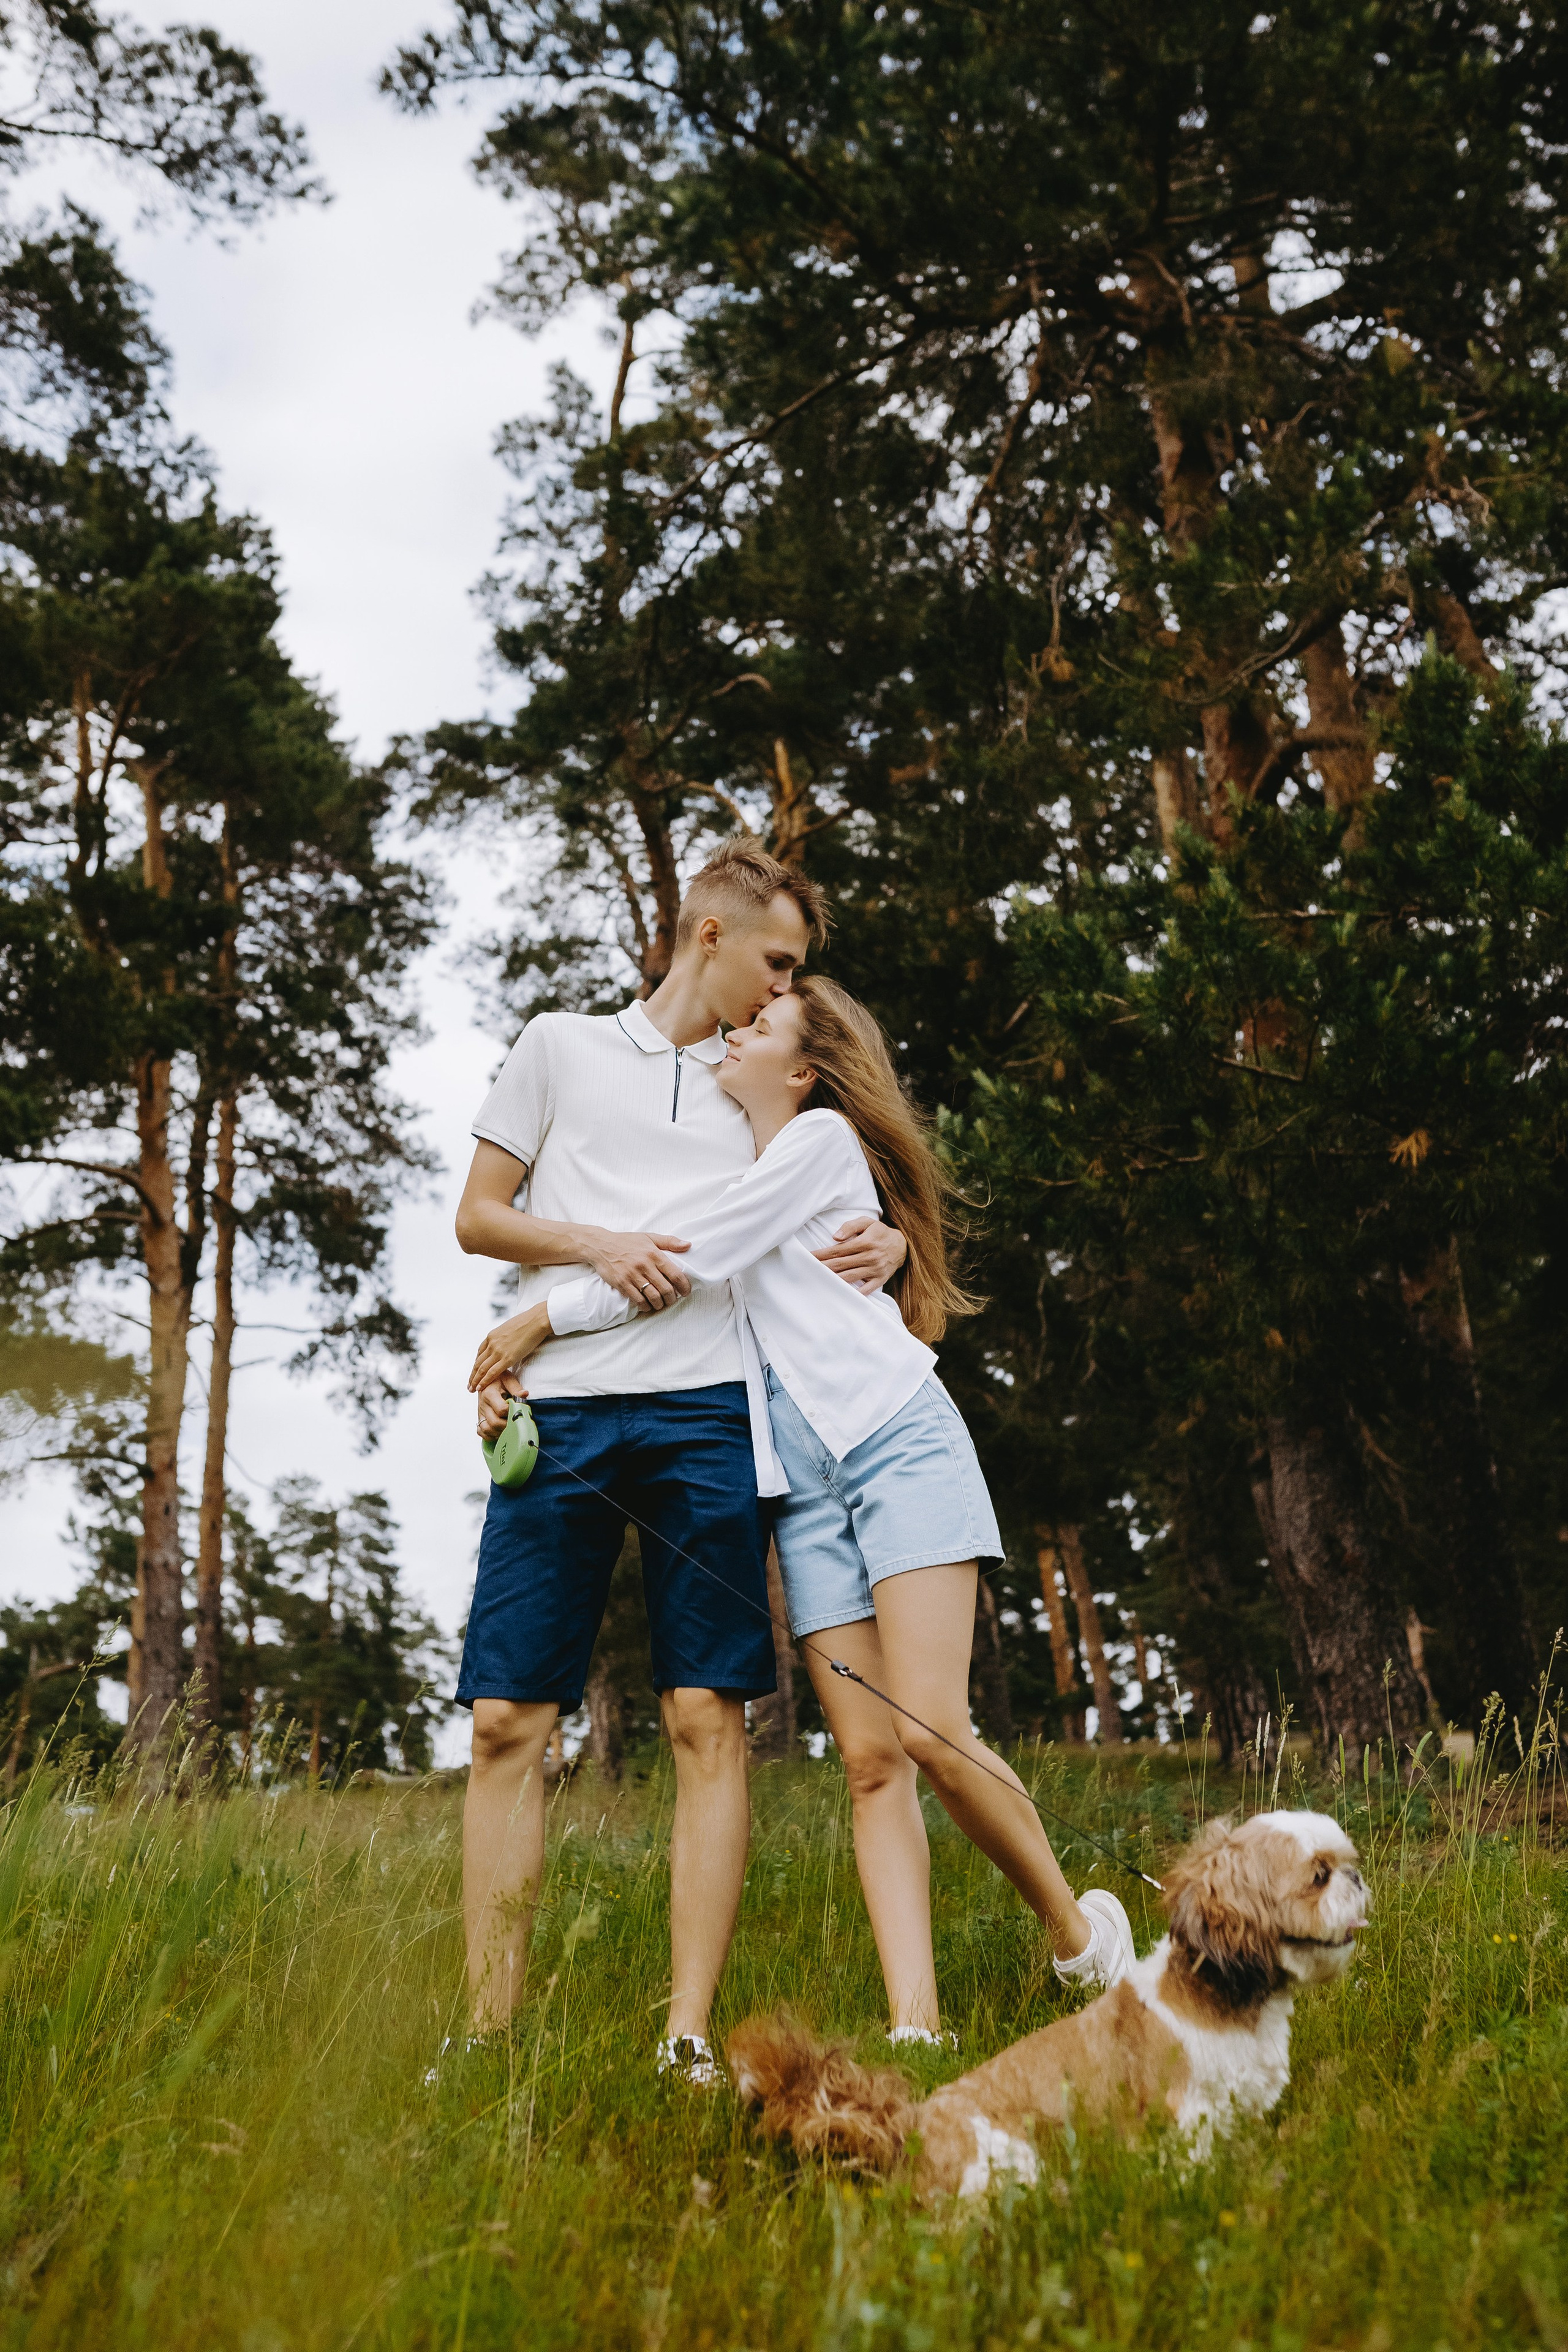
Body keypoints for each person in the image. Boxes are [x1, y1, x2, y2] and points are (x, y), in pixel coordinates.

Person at [470, 974, 1134, 2049]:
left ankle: (1079, 1937)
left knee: (930, 1731)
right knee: (869, 1759)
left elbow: (690, 1261)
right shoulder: (750, 1156)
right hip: (803, 1481)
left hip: (894, 1437)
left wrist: (537, 1318)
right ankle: (918, 2029)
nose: (735, 1033)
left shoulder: (818, 1139)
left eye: (762, 1027)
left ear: (804, 1069)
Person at [454, 841, 906, 2082]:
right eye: (776, 962)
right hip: (562, 1413)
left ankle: (686, 2035)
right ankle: (486, 2038)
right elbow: (478, 1216)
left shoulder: (765, 1081)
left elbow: (857, 1186)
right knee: (505, 1720)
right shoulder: (557, 1045)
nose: (783, 993)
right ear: (707, 934)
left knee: (706, 1716)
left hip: (710, 1413)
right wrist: (594, 1247)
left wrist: (895, 1253)